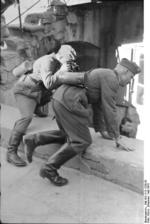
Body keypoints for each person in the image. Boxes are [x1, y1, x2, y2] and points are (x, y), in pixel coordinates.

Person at [24, 58, 141, 186]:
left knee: (69, 135)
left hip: (60, 99)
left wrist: (101, 130)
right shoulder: (112, 78)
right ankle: (49, 168)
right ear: (125, 71)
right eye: (131, 77)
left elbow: (99, 106)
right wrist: (117, 136)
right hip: (69, 102)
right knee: (82, 141)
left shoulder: (106, 74)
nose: (130, 81)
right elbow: (110, 108)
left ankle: (33, 140)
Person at [6, 44, 78, 167]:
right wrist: (62, 71)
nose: (66, 64)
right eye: (66, 61)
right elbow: (49, 83)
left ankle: (37, 108)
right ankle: (11, 151)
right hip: (25, 92)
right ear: (60, 56)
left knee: (58, 96)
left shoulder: (57, 62)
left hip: (38, 92)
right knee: (26, 118)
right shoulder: (48, 61)